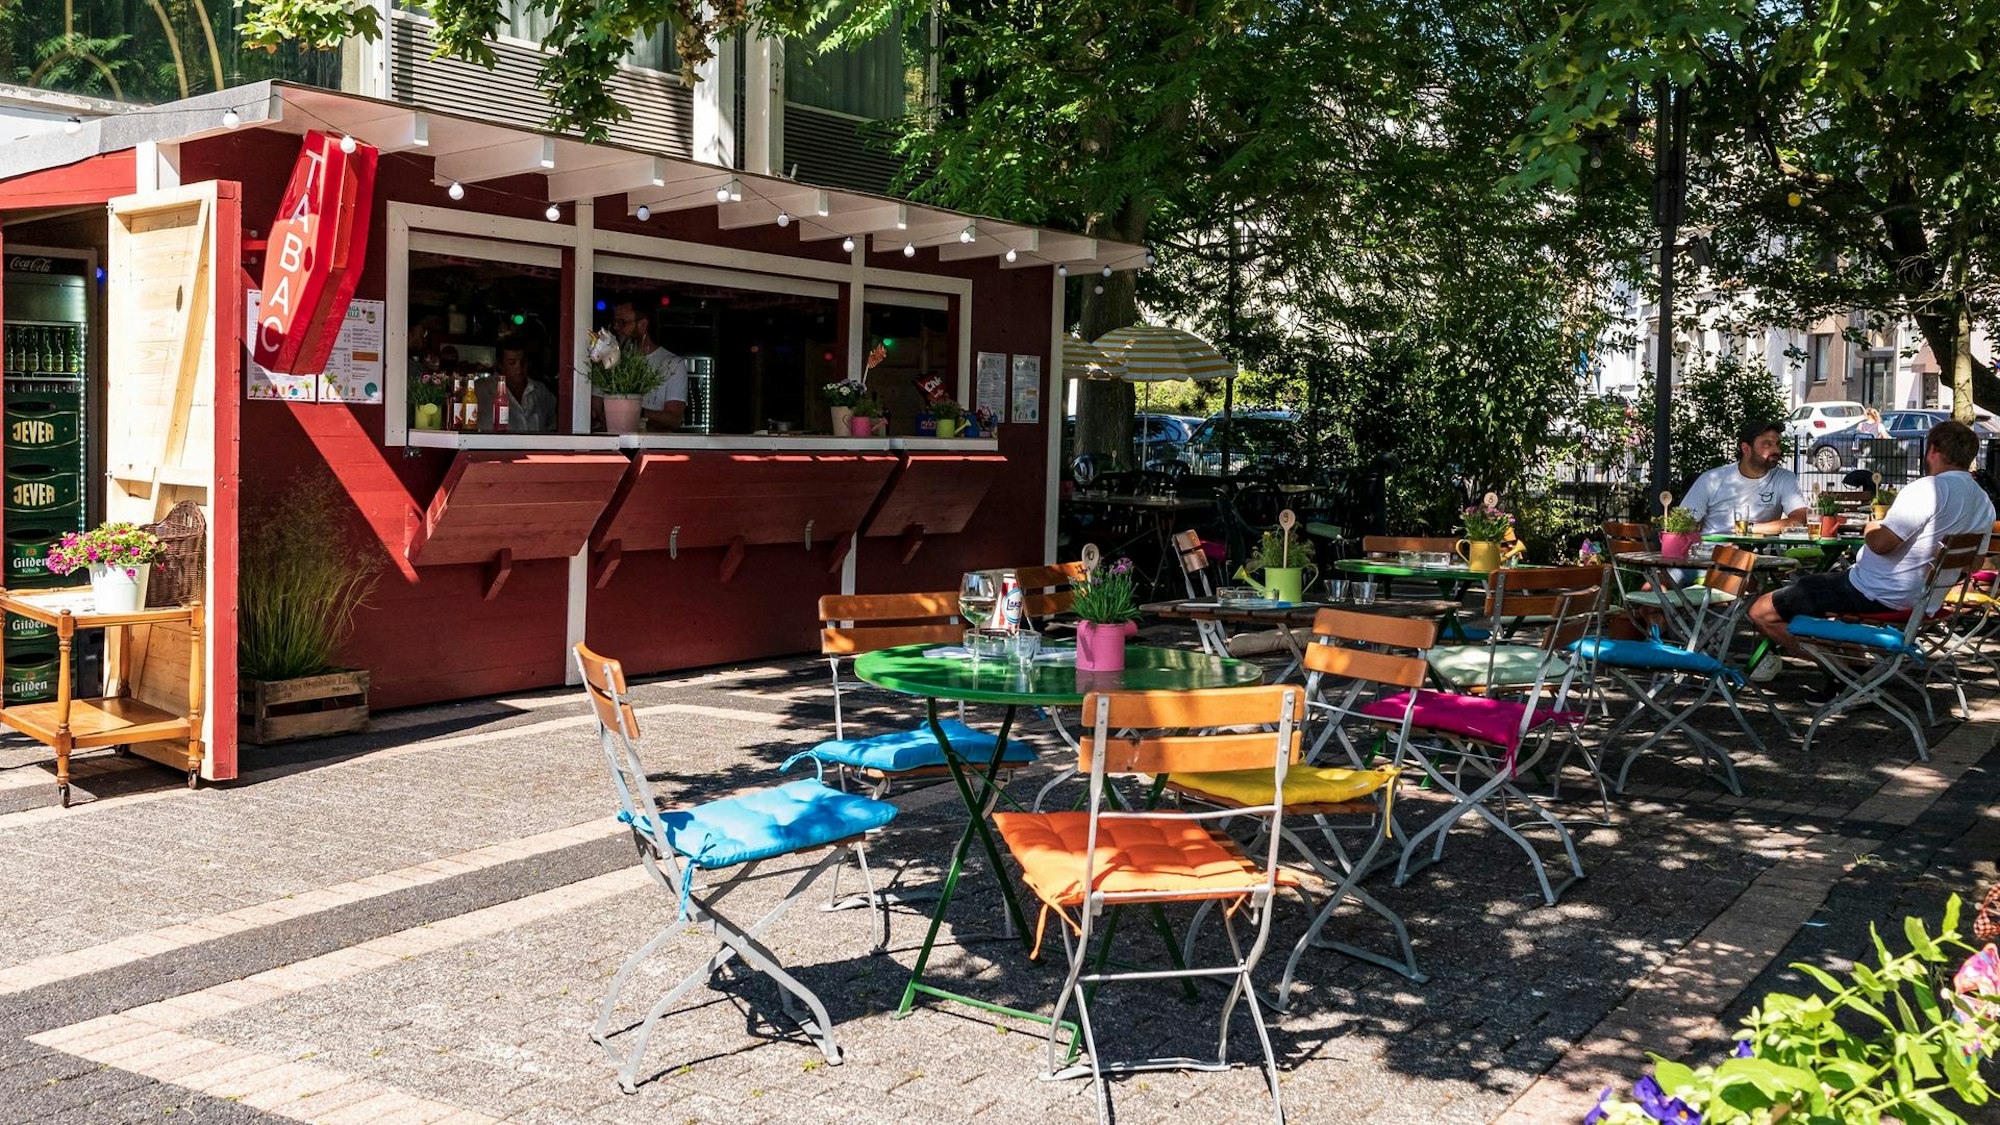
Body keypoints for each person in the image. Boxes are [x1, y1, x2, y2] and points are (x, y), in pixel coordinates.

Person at [1748, 419, 1994, 697]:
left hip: (1876, 591)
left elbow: (1881, 544)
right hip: (1925, 600)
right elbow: (1974, 564)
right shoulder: (1982, 500)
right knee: (1827, 598)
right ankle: (1857, 676)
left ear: (1933, 450)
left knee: (1761, 610)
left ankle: (1845, 678)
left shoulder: (1929, 489)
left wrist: (1871, 526)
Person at [1680, 422, 1810, 535]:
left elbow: (1800, 518)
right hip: (1712, 556)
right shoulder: (1711, 480)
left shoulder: (1784, 478)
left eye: (1777, 444)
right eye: (1767, 444)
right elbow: (1682, 523)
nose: (1776, 450)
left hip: (1762, 557)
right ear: (1746, 448)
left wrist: (1750, 528)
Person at [610, 299, 687, 431]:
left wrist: (637, 413)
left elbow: (674, 419)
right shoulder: (613, 362)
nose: (616, 328)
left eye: (622, 322)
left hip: (653, 447)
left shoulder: (673, 364)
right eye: (615, 322)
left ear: (643, 324)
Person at [495, 339, 557, 433]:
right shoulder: (483, 389)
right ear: (500, 365)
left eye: (523, 362)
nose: (519, 367)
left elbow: (554, 424)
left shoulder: (541, 391)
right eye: (512, 363)